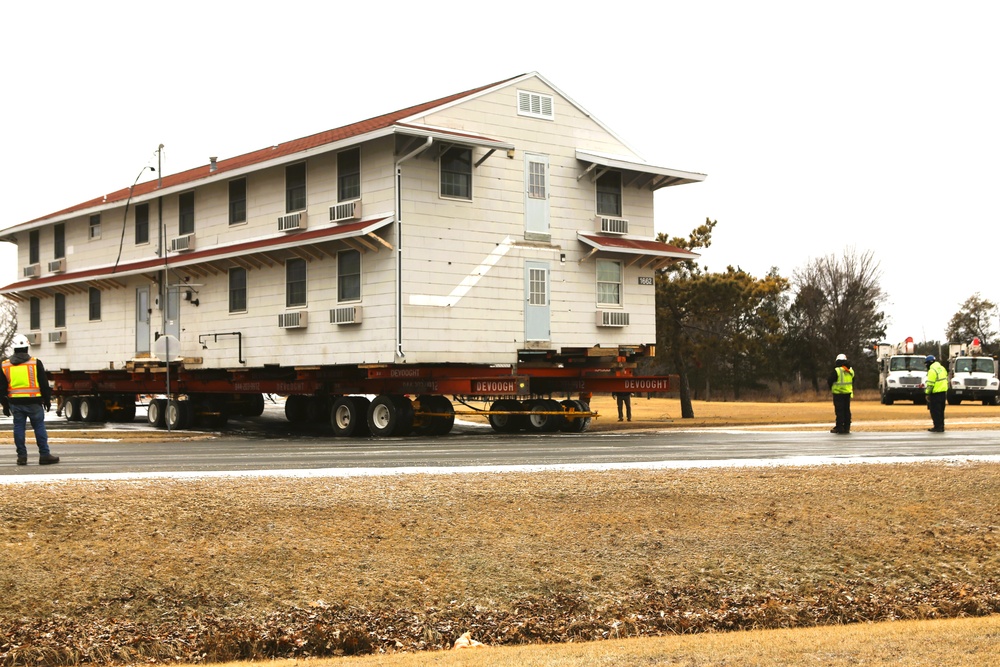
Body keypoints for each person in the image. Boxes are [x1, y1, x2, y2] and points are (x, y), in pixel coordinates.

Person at [1, 334, 59, 466]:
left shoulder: (5, 365)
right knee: (39, 427)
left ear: (13, 348)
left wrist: (4, 405)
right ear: (27, 347)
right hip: (34, 402)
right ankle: (44, 455)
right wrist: (48, 400)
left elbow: (2, 388)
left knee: (18, 429)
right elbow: (44, 384)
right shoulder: (35, 363)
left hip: (15, 403)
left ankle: (22, 457)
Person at [828, 353, 854, 434]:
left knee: (839, 411)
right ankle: (847, 427)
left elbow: (830, 380)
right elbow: (853, 380)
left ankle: (839, 427)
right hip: (847, 393)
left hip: (838, 393)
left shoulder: (837, 370)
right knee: (846, 410)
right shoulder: (850, 370)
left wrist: (831, 388)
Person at [925, 354, 948, 432]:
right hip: (943, 393)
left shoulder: (932, 371)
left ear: (929, 363)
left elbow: (930, 384)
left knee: (935, 412)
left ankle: (937, 427)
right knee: (941, 411)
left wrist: (927, 393)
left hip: (935, 394)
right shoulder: (942, 368)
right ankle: (941, 426)